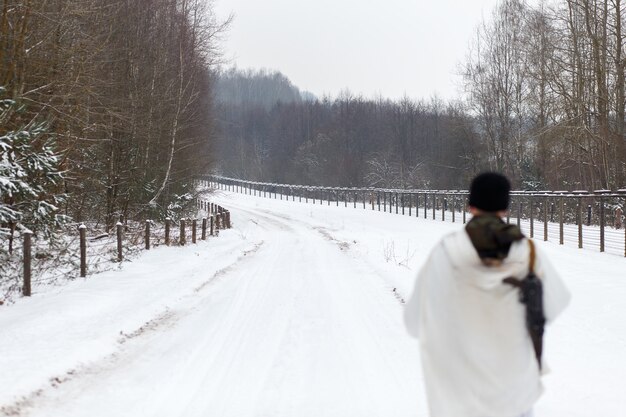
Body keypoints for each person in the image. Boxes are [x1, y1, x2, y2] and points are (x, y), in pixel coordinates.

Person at [404, 172, 571, 417]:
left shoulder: (447, 251)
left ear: (470, 204)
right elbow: (552, 305)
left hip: (461, 393)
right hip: (514, 389)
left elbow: (415, 322)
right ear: (505, 207)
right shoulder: (528, 252)